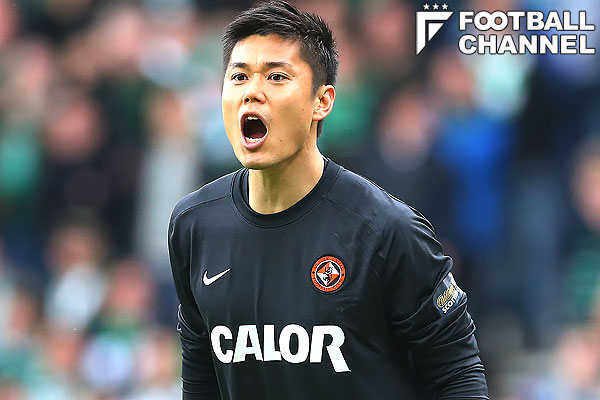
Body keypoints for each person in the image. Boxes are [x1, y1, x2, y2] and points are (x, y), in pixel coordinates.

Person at [168, 1, 488, 399]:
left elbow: (457, 373)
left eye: (277, 76)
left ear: (322, 101)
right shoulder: (194, 225)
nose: (252, 93)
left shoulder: (387, 230)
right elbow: (201, 378)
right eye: (239, 77)